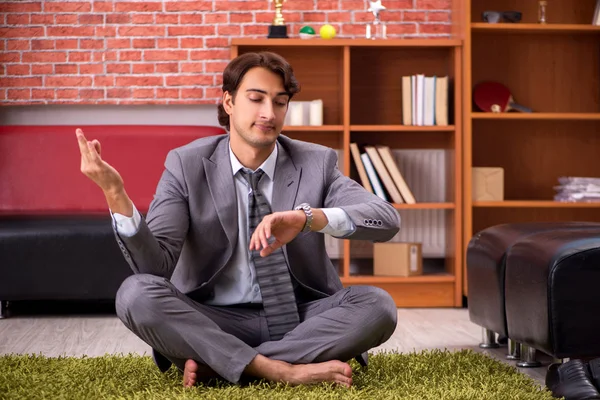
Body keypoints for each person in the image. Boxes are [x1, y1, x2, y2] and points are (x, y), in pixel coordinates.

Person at [76, 51, 401, 388]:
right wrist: (116, 194)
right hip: (214, 319)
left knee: (378, 306)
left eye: (279, 102)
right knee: (134, 294)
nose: (268, 113)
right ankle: (283, 371)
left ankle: (223, 365)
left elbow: (385, 219)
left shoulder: (315, 162)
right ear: (228, 102)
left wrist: (308, 219)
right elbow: (155, 268)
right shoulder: (186, 165)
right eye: (256, 98)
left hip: (300, 318)